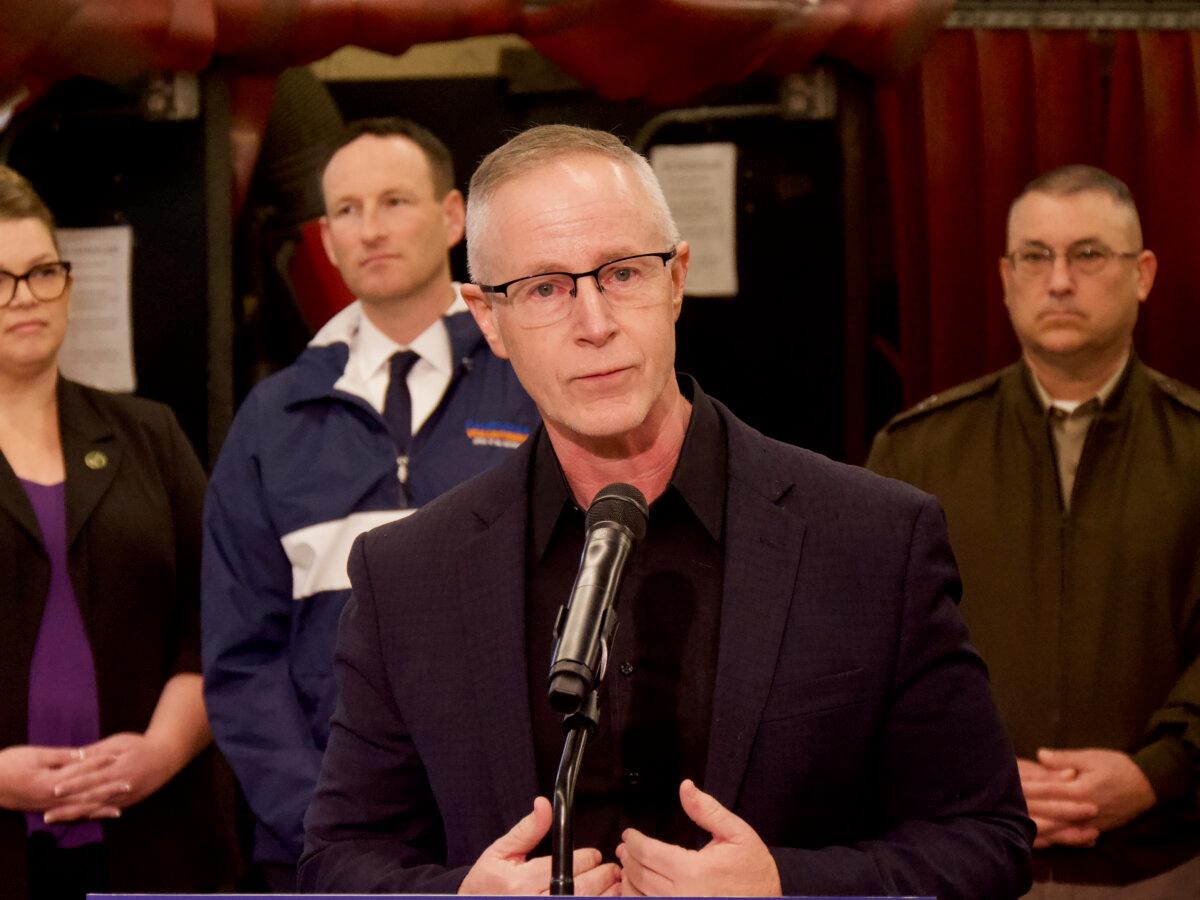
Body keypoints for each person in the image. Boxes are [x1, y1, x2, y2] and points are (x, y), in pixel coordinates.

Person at [298, 124, 1033, 898]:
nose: (594, 324)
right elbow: (341, 857)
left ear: (676, 279)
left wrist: (787, 887)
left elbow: (986, 840)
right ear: (488, 319)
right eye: (545, 288)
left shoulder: (874, 538)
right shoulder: (409, 573)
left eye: (621, 273)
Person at [202, 117, 539, 889]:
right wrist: (325, 826)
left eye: (394, 201)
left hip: (528, 840)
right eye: (346, 211)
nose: (370, 229)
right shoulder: (272, 420)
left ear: (455, 216)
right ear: (324, 238)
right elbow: (242, 659)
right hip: (323, 855)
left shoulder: (532, 380)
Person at [867, 165, 1200, 897]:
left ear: (1142, 274)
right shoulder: (916, 452)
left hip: (1165, 861)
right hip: (961, 860)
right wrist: (980, 778)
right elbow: (869, 656)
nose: (1058, 281)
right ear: (1005, 277)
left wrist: (1156, 773)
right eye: (1034, 257)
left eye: (1087, 255)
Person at [0, 166, 240, 899]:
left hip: (157, 836)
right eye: (0, 279)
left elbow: (223, 618)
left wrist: (162, 752)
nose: (26, 298)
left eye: (43, 272)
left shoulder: (150, 434)